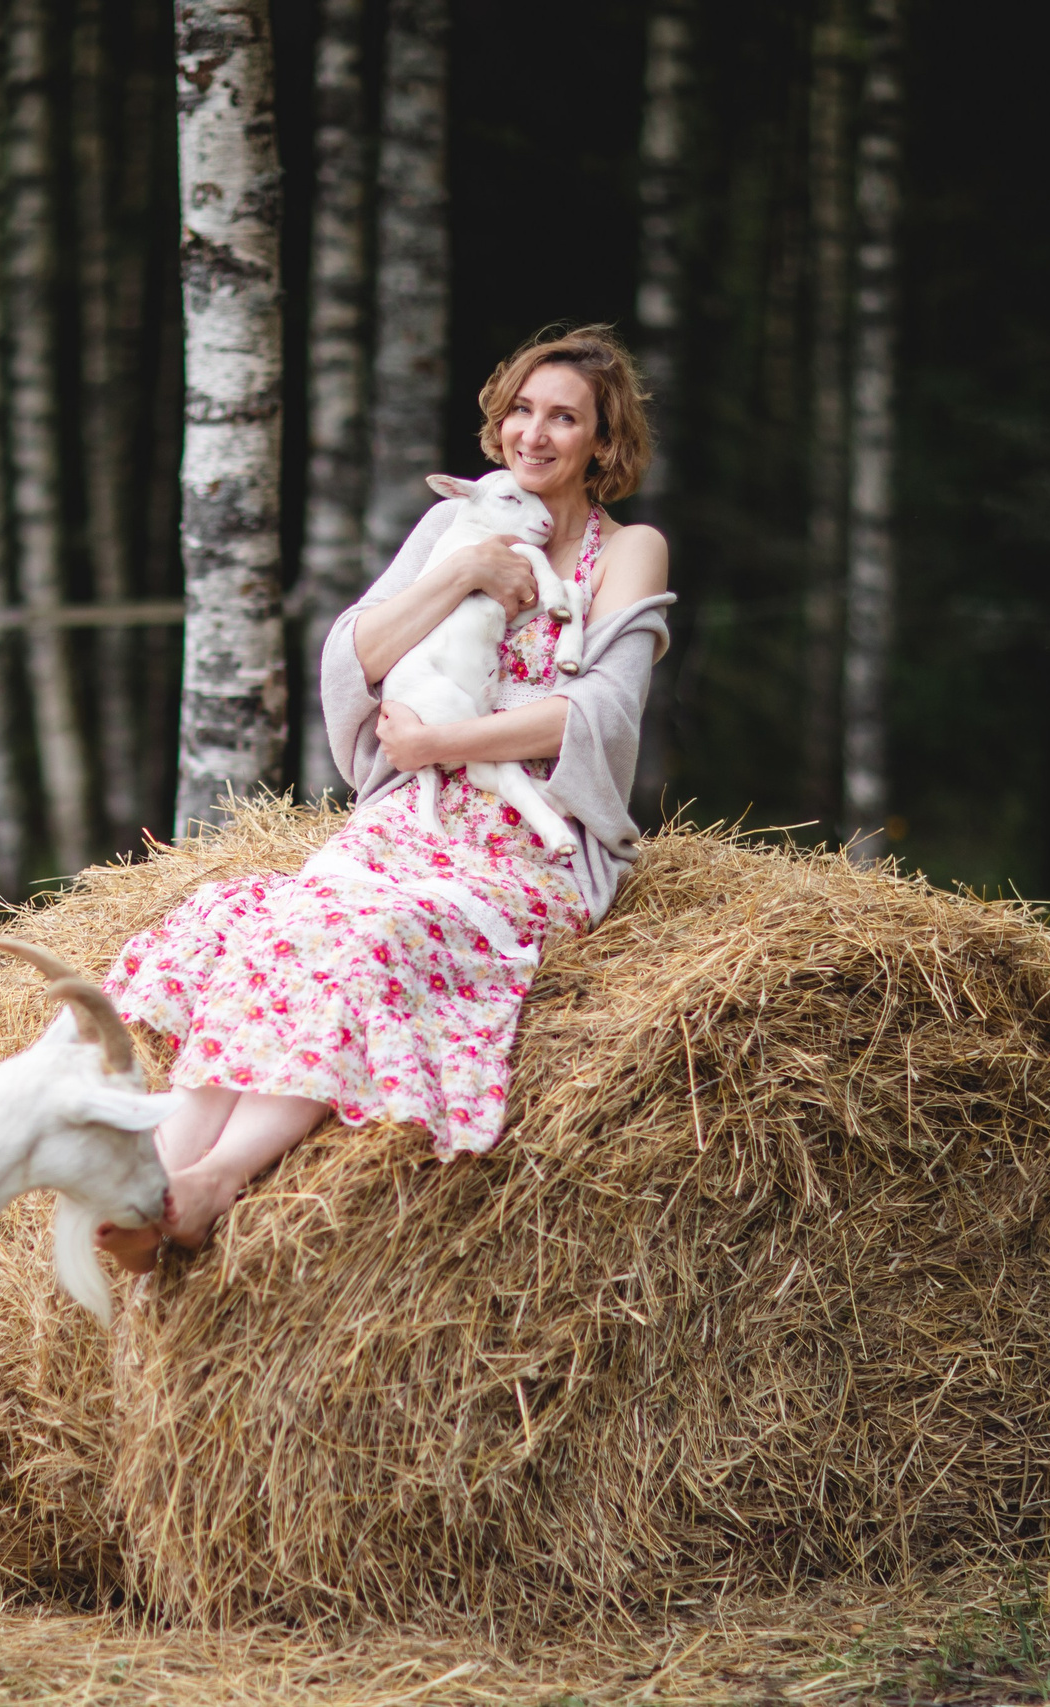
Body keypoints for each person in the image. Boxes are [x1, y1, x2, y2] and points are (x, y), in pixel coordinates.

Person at [97, 325, 676, 1271]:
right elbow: (353, 658)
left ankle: (212, 1182)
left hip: (529, 843)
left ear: (602, 445)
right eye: (522, 410)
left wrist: (443, 740)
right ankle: (157, 1173)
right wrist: (459, 571)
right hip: (411, 816)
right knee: (285, 917)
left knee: (368, 936)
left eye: (564, 418)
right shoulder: (457, 523)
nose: (535, 434)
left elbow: (601, 713)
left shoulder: (627, 552)